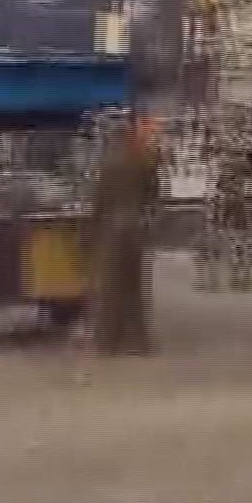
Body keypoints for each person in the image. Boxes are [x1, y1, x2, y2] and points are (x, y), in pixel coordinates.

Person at [84, 112, 160, 355]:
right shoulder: (145, 160)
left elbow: (98, 202)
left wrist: (90, 233)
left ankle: (106, 344)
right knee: (134, 287)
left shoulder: (107, 164)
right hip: (136, 229)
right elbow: (154, 195)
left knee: (110, 288)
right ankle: (138, 343)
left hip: (112, 230)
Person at [194, 110, 252, 292]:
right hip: (239, 194)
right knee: (238, 237)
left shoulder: (219, 142)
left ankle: (211, 280)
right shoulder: (248, 144)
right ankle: (239, 278)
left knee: (213, 235)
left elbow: (207, 164)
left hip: (220, 193)